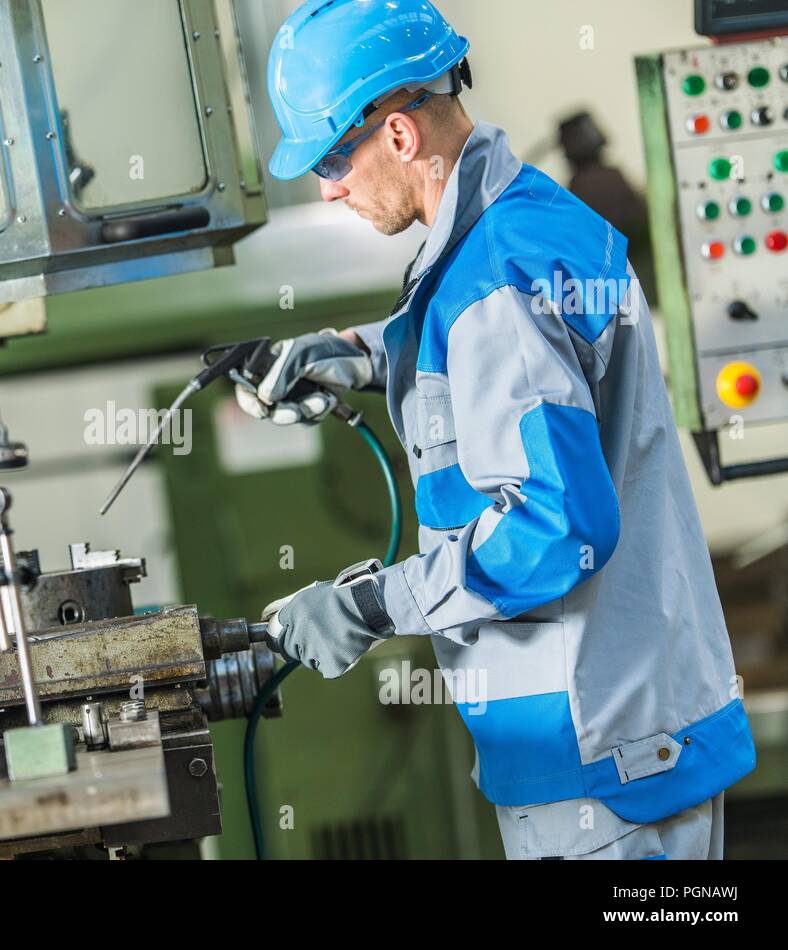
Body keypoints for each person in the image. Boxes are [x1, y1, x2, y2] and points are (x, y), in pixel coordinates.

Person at [245, 0, 754, 860]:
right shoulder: (523, 226)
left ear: (400, 137)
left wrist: (371, 602)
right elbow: (507, 362)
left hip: (601, 769)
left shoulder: (496, 281)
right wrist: (361, 355)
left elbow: (554, 527)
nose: (330, 187)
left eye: (334, 157)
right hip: (627, 737)